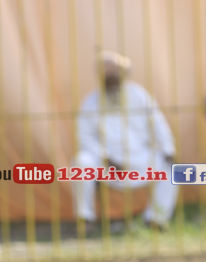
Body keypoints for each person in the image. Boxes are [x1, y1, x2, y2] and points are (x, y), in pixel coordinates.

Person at [73, 51, 178, 228]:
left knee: (173, 169)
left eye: (115, 77)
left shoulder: (139, 95)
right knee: (81, 162)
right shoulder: (91, 102)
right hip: (107, 165)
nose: (112, 83)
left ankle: (155, 219)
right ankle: (85, 219)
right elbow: (84, 138)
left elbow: (158, 124)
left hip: (140, 158)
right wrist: (106, 158)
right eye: (108, 78)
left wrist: (169, 149)